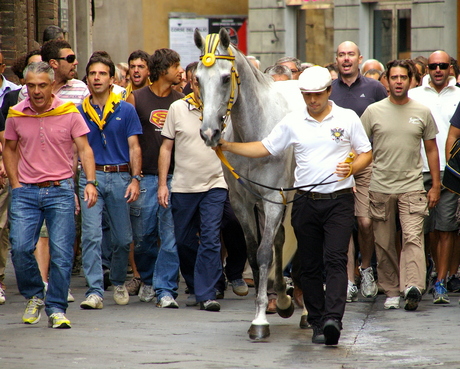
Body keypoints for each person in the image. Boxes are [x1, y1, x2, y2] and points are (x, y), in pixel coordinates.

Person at [217, 66, 372, 345]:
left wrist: (352, 168)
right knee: (310, 265)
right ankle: (316, 322)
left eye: (317, 95)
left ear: (328, 92)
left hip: (339, 199)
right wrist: (227, 146)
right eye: (307, 95)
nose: (312, 100)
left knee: (336, 260)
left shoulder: (347, 118)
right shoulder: (292, 121)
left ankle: (333, 319)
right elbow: (264, 147)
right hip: (304, 201)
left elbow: (366, 153)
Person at [3, 61, 97, 328]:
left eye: (42, 85)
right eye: (30, 85)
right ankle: (35, 294)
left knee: (62, 252)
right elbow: (9, 149)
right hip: (26, 192)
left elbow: (85, 149)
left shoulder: (69, 112)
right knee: (20, 249)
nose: (36, 91)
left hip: (60, 190)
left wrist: (90, 182)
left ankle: (56, 308)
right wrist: (15, 183)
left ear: (52, 84)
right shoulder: (16, 114)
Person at [361, 59, 440, 311]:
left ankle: (413, 287)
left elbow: (431, 150)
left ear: (411, 80)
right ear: (386, 81)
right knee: (383, 243)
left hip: (412, 187)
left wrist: (436, 185)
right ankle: (392, 290)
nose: (398, 82)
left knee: (413, 238)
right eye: (393, 77)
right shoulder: (373, 111)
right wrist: (353, 178)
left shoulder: (422, 111)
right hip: (380, 187)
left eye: (403, 78)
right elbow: (359, 148)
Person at [158, 63, 228, 311]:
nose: (201, 85)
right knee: (185, 241)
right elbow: (166, 148)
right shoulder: (177, 108)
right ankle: (195, 282)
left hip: (215, 184)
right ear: (190, 82)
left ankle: (207, 294)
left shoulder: (223, 109)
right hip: (183, 186)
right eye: (196, 81)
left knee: (210, 239)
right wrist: (162, 185)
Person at [78, 55, 142, 309]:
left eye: (102, 74)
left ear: (112, 79)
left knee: (123, 239)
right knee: (91, 236)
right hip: (91, 177)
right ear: (87, 79)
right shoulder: (80, 111)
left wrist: (135, 179)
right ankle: (94, 290)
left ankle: (116, 280)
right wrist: (83, 182)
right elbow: (76, 151)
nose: (97, 78)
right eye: (92, 74)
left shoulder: (125, 109)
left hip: (120, 176)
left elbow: (135, 147)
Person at [330, 41, 388, 302]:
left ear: (359, 59)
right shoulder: (328, 90)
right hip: (336, 166)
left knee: (364, 222)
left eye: (350, 54)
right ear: (336, 59)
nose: (345, 59)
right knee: (342, 224)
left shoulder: (375, 88)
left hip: (365, 163)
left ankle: (366, 269)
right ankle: (348, 280)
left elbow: (385, 124)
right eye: (341, 54)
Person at [127, 48, 184, 306]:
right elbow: (129, 142)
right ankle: (148, 279)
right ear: (163, 70)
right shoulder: (136, 99)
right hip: (144, 178)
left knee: (170, 237)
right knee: (143, 240)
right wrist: (133, 177)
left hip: (174, 177)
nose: (180, 71)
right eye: (176, 66)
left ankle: (165, 290)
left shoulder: (181, 100)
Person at [408, 50, 460, 304]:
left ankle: (441, 281)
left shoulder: (459, 94)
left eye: (443, 65)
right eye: (433, 66)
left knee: (447, 227)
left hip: (451, 170)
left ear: (451, 68)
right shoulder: (413, 95)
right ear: (426, 69)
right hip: (419, 170)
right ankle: (429, 270)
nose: (438, 70)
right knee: (426, 229)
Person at [18, 39, 89, 104]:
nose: (76, 62)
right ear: (54, 63)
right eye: (70, 59)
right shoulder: (26, 91)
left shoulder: (81, 89)